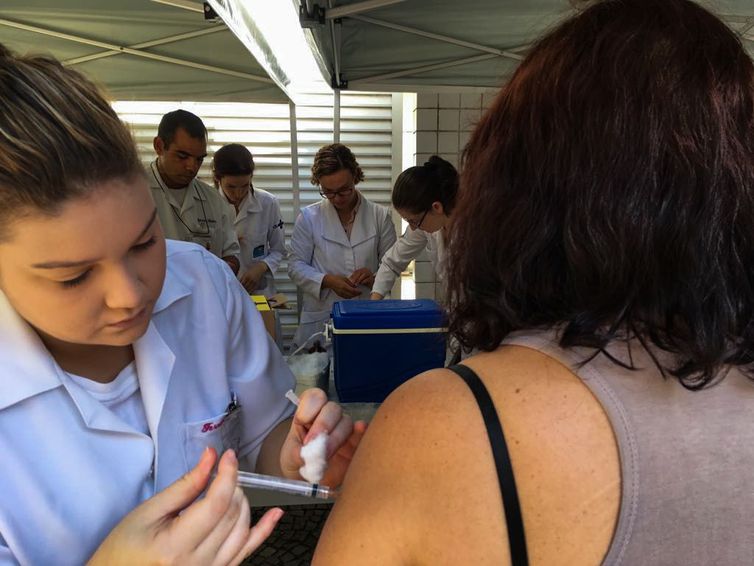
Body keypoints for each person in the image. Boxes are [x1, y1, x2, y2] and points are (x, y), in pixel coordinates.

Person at [314, 0, 754, 564]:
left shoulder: (444, 425)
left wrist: (391, 477)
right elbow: (398, 256)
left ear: (518, 180)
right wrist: (374, 298)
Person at [0, 45, 364, 564]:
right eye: (74, 276)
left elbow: (263, 426)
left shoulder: (203, 284)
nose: (130, 295)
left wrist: (300, 453)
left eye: (144, 243)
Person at [288, 143, 397, 348]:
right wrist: (327, 280)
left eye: (344, 190)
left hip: (366, 313)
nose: (337, 198)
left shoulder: (380, 216)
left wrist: (374, 277)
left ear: (355, 177)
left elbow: (391, 265)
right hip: (321, 318)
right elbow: (295, 266)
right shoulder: (309, 218)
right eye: (328, 192)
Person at [149, 109, 241, 274]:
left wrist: (222, 270)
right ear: (159, 146)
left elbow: (231, 254)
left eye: (199, 159)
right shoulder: (130, 193)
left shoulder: (214, 200)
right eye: (182, 156)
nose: (192, 167)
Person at [370, 156, 458, 301]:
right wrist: (374, 301)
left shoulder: (476, 231)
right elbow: (392, 262)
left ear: (436, 207)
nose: (413, 227)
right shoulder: (429, 224)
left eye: (414, 221)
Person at [213, 143, 286, 297]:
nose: (238, 194)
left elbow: (278, 250)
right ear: (217, 178)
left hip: (259, 291)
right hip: (219, 291)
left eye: (245, 186)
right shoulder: (208, 204)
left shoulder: (268, 203)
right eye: (231, 187)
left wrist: (261, 267)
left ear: (251, 177)